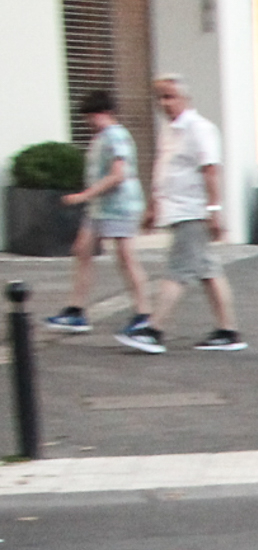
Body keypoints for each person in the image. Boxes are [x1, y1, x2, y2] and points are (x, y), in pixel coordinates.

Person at [116, 74, 245, 354]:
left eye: (169, 96)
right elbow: (164, 171)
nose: (164, 103)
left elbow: (210, 170)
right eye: (160, 97)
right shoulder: (169, 131)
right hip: (177, 210)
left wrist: (213, 210)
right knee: (208, 270)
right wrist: (153, 205)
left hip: (192, 211)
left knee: (177, 270)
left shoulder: (200, 129)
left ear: (185, 98)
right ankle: (228, 330)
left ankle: (154, 329)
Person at [45, 91, 150, 334]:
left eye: (93, 116)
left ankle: (143, 312)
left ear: (105, 113)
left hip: (120, 206)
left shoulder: (116, 136)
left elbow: (118, 174)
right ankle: (76, 309)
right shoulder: (104, 136)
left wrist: (84, 196)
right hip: (101, 208)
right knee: (83, 250)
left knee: (125, 257)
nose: (90, 122)